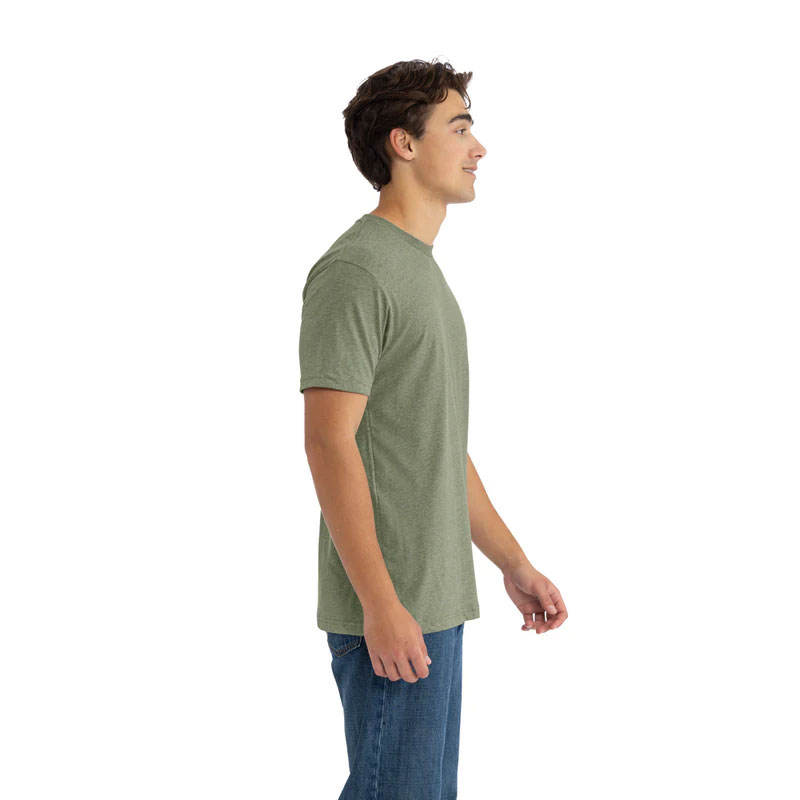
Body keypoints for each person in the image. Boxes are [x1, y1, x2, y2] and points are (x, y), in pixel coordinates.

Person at [298, 58, 568, 799]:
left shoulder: (418, 271)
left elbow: (438, 447)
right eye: (460, 127)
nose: (478, 147)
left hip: (435, 599)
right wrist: (381, 605)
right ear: (405, 143)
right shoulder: (356, 270)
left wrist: (513, 563)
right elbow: (328, 442)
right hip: (394, 607)